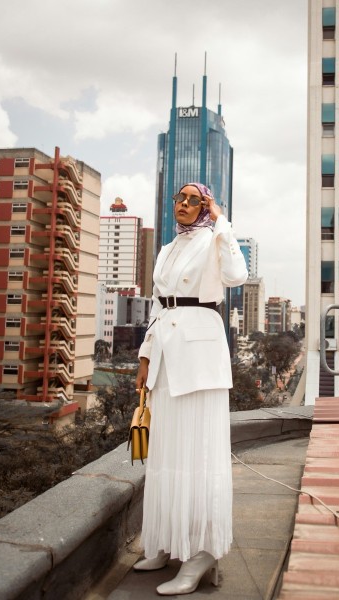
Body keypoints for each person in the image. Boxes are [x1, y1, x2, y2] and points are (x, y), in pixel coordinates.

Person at [134, 182, 248, 596]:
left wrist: (221, 222)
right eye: (178, 199)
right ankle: (166, 542)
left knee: (199, 454)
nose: (183, 205)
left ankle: (201, 553)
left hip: (200, 353)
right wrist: (145, 358)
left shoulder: (215, 237)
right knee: (167, 451)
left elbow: (237, 275)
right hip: (165, 354)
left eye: (193, 200)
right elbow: (156, 304)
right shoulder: (166, 249)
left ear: (206, 205)